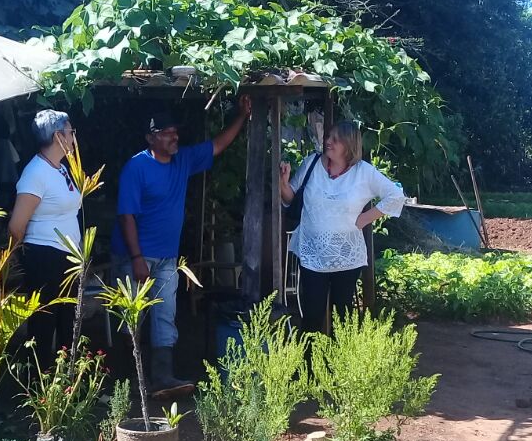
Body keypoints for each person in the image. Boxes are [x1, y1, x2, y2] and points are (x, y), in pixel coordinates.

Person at [112, 96, 252, 391]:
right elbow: (126, 216)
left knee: (165, 315)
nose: (173, 136)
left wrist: (241, 115)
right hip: (135, 257)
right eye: (166, 133)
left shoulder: (183, 160)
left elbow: (217, 145)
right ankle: (130, 381)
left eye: (175, 132)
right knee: (131, 316)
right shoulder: (136, 167)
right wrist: (136, 258)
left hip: (166, 257)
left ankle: (162, 378)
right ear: (151, 138)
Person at [280, 120, 405, 335]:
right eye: (329, 137)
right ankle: (309, 358)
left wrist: (365, 218)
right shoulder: (312, 163)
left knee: (342, 320)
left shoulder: (364, 172)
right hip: (313, 255)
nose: (328, 141)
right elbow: (290, 198)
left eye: (335, 139)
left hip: (346, 258)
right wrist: (283, 182)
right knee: (311, 318)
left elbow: (396, 196)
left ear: (349, 146)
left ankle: (340, 358)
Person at [8, 109, 81, 364]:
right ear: (58, 136)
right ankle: (38, 379)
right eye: (70, 132)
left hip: (68, 256)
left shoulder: (61, 168)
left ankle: (66, 378)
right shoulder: (35, 173)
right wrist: (12, 257)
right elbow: (17, 225)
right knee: (44, 321)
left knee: (68, 320)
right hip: (44, 256)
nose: (73, 138)